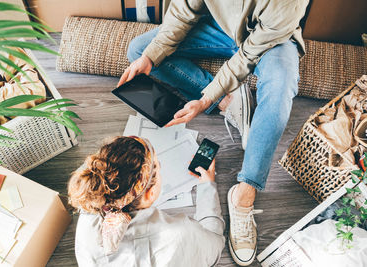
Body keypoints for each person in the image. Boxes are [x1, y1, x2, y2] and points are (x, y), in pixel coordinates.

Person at [117, 0, 309, 265]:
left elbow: (248, 56)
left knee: (280, 88)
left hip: (272, 40)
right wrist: (150, 58)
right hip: (220, 28)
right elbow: (183, 12)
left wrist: (205, 99)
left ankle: (246, 193)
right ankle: (230, 103)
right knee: (141, 49)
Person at [68, 136, 225, 266]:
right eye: (158, 165)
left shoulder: (86, 217)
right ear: (149, 193)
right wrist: (207, 187)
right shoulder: (180, 234)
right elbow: (215, 243)